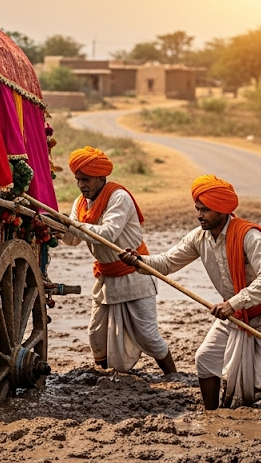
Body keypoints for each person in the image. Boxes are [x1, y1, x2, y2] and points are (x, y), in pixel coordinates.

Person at [118, 175, 261, 415]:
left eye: (205, 210)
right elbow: (167, 262)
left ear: (222, 210)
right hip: (237, 313)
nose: (199, 215)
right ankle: (213, 415)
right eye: (198, 209)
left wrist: (233, 303)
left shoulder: (249, 236)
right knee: (205, 359)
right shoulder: (199, 237)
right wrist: (139, 260)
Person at [62, 146, 176, 375]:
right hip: (106, 277)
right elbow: (74, 239)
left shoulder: (119, 197)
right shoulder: (80, 203)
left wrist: (71, 225)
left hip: (136, 274)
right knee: (96, 334)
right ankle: (105, 378)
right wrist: (58, 229)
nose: (81, 185)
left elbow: (107, 234)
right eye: (78, 180)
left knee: (148, 336)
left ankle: (173, 375)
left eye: (86, 180)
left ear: (101, 178)